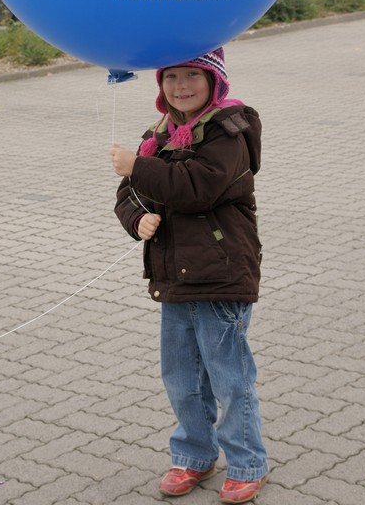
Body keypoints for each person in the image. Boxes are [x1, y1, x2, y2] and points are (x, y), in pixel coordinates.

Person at [110, 47, 268, 504]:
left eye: (192, 76)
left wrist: (139, 167)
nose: (181, 86)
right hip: (174, 276)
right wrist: (137, 218)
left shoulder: (229, 129)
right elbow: (130, 194)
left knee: (229, 377)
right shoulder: (156, 136)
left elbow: (198, 187)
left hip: (220, 274)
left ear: (214, 80)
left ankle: (247, 463)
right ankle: (194, 454)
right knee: (182, 377)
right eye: (171, 77)